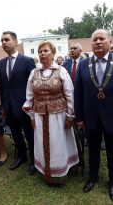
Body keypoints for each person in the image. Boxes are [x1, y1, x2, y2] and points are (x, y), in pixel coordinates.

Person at [74, 29, 113, 200]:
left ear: (109, 41)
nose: (98, 42)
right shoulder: (83, 64)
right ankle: (92, 177)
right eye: (95, 39)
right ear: (91, 43)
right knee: (92, 150)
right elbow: (77, 92)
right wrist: (79, 118)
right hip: (90, 117)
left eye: (102, 39)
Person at [22, 41, 79, 185]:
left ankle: (62, 171)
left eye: (45, 51)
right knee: (42, 143)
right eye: (40, 51)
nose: (42, 54)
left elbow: (69, 94)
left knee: (58, 142)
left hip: (58, 115)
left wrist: (70, 115)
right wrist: (32, 115)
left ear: (53, 53)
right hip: (40, 115)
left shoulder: (61, 70)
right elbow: (29, 95)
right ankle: (46, 171)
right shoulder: (34, 72)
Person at [0, 31, 36, 174]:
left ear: (15, 41)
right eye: (2, 40)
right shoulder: (1, 63)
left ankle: (34, 160)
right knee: (16, 134)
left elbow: (33, 84)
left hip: (24, 106)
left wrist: (30, 105)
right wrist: (3, 106)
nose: (3, 43)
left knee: (29, 135)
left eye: (6, 39)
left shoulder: (27, 61)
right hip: (8, 106)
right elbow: (2, 86)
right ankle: (22, 157)